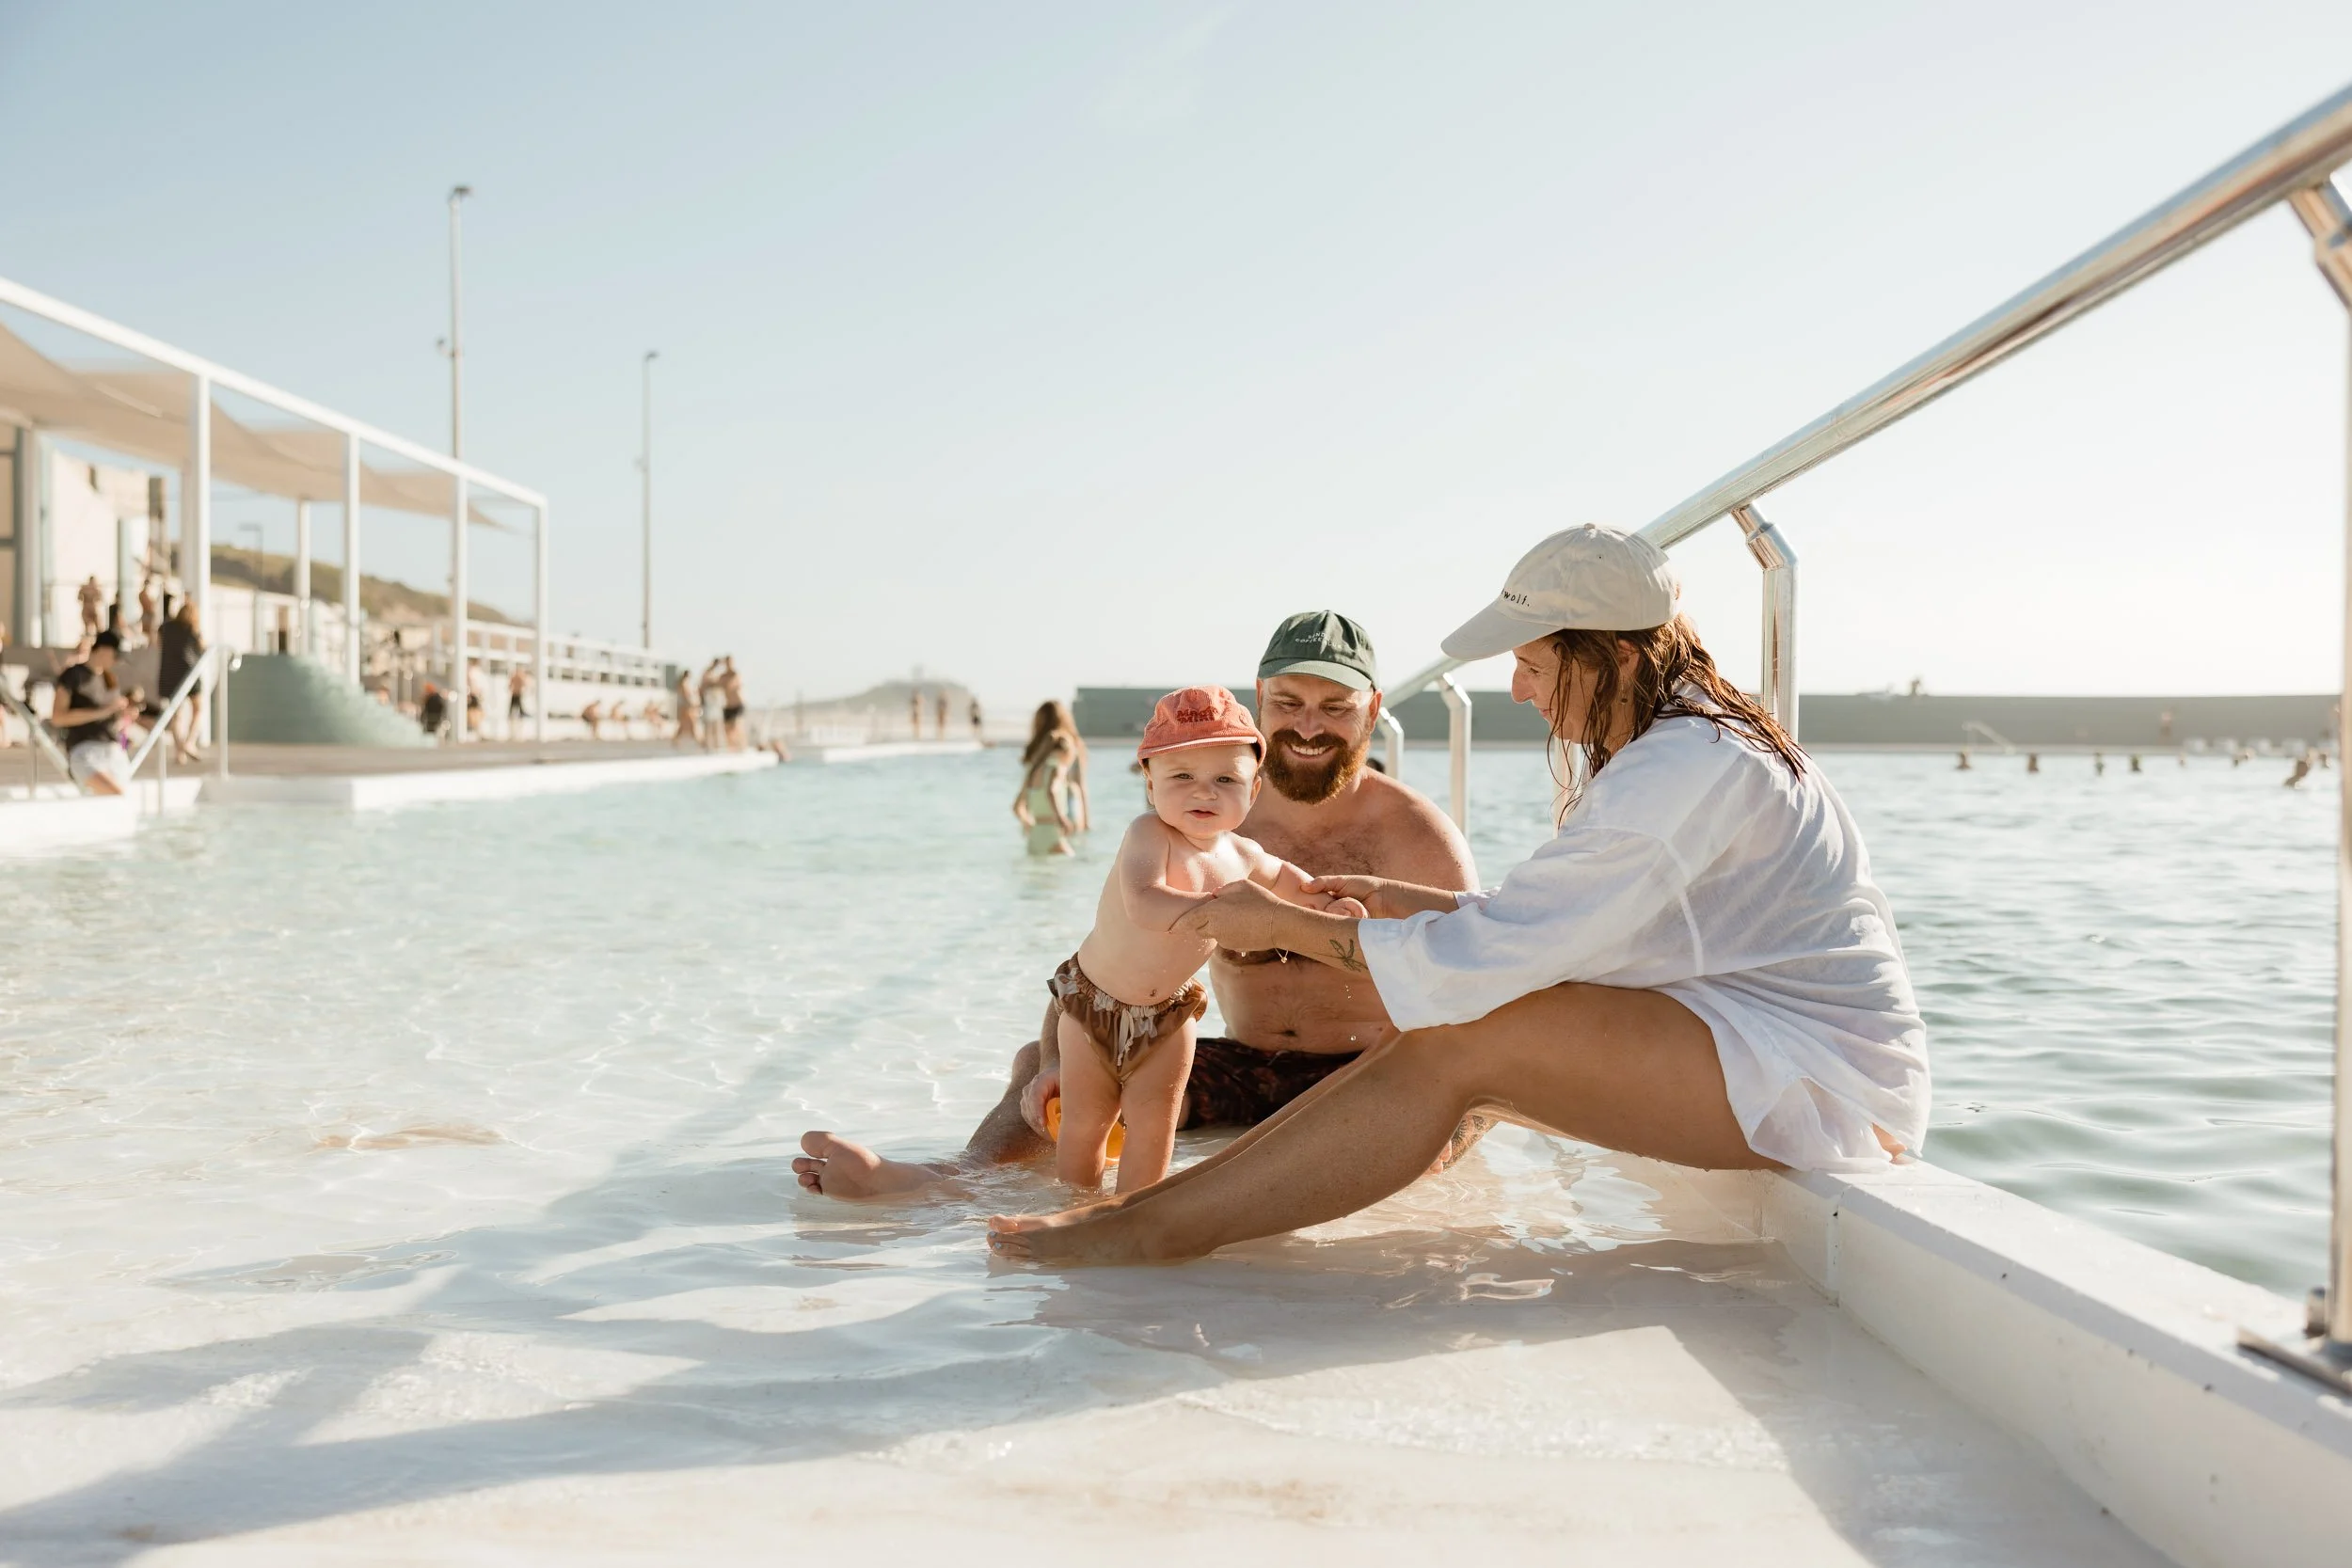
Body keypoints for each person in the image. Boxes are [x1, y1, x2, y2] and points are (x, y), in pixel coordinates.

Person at [985, 525, 1929, 1265]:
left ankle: (1150, 1229)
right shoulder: (1682, 749)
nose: (1516, 688)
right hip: (1753, 1041)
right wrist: (1398, 899)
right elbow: (1551, 933)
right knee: (1445, 1024)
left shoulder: (1681, 769)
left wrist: (1285, 925)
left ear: (1608, 653)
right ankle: (1090, 1203)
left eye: (1530, 659)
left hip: (1821, 1085)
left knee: (1460, 1037)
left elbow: (1499, 964)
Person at [794, 610, 1477, 1200]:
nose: (1307, 726)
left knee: (1447, 1110)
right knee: (1050, 1053)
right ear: (1260, 698)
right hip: (1240, 1060)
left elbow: (1479, 990)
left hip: (1359, 1071)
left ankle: (1181, 1214)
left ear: (1374, 705)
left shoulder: (1416, 837)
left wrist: (1429, 1099)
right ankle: (950, 1182)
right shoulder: (1204, 808)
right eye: (1289, 701)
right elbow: (1109, 945)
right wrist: (1065, 1055)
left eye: (1335, 707)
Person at [1029, 687, 1364, 1193]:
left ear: (1253, 792)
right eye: (1182, 776)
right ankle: (1077, 1209)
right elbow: (1145, 902)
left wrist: (1330, 906)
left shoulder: (1245, 855)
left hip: (1168, 1014)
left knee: (1153, 1125)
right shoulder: (1149, 834)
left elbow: (1292, 883)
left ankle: (1136, 1213)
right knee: (1086, 1121)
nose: (1203, 792)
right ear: (1150, 784)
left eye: (1225, 779)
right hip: (1093, 1005)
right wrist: (1226, 915)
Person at [51, 630, 139, 795]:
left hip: (113, 750)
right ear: (104, 649)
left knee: (123, 802)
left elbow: (111, 718)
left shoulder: (110, 678)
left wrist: (123, 715)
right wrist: (103, 712)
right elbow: (58, 718)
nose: (118, 662)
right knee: (116, 795)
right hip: (86, 752)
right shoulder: (73, 676)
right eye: (116, 656)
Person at [1013, 700, 1082, 856]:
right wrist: (1062, 819)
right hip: (1053, 832)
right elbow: (1051, 790)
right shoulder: (1056, 768)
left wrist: (1027, 823)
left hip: (1035, 834)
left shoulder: (1033, 768)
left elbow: (1017, 807)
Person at [154, 601, 207, 765]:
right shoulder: (192, 629)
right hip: (189, 674)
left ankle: (179, 752)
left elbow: (158, 645)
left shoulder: (165, 628)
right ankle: (189, 742)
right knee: (197, 709)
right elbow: (202, 648)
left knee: (175, 715)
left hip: (170, 674)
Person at [721, 657, 746, 751]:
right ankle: (731, 748)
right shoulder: (723, 676)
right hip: (728, 706)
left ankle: (742, 746)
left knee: (737, 727)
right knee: (727, 730)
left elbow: (732, 685)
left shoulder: (736, 674)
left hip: (737, 704)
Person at [673, 670, 700, 747]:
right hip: (686, 707)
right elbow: (686, 696)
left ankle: (676, 740)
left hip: (684, 707)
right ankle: (698, 739)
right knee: (692, 723)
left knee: (683, 725)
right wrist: (693, 704)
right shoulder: (684, 684)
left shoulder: (683, 684)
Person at [77, 576, 103, 640]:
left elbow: (100, 599)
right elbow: (79, 597)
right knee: (87, 629)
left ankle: (98, 641)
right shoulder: (84, 588)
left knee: (98, 628)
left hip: (93, 609)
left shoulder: (96, 589)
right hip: (86, 609)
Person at [508, 668, 530, 732]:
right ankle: (517, 714)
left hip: (515, 693)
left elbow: (510, 684)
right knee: (515, 705)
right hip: (517, 693)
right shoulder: (519, 676)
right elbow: (524, 684)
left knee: (516, 705)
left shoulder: (515, 676)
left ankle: (517, 714)